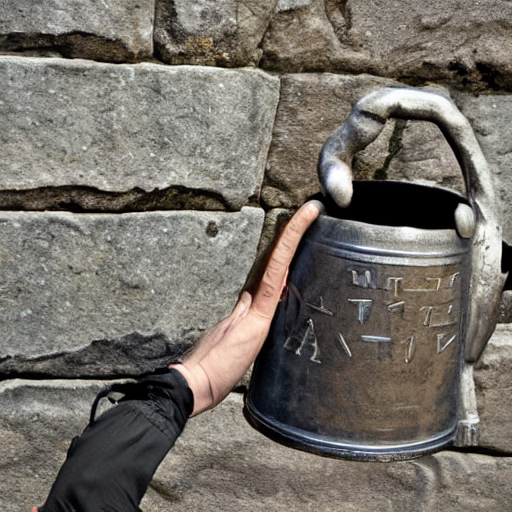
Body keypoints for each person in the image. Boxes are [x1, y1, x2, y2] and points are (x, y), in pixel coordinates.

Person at [33, 200, 321, 512]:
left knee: (260, 309)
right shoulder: (74, 488)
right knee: (247, 305)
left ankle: (303, 215)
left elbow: (266, 301)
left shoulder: (191, 392)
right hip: (134, 408)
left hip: (170, 401)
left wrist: (311, 212)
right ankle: (295, 219)